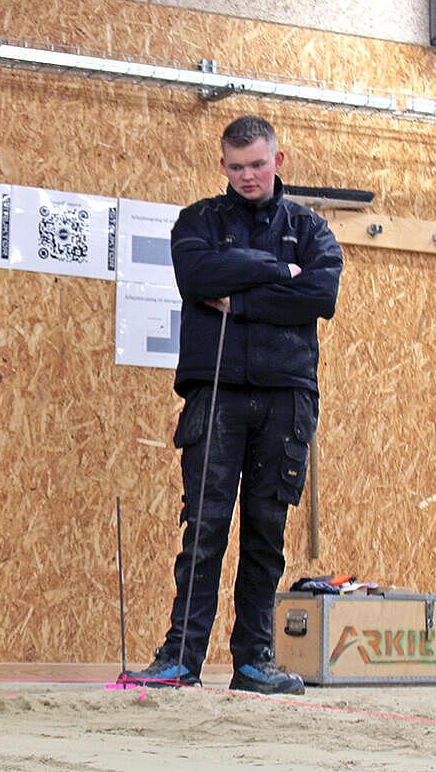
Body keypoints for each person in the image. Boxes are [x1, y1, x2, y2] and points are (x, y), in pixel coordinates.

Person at [128, 115, 342, 694]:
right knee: (204, 528)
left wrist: (240, 302)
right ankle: (180, 660)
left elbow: (319, 295)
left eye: (257, 164)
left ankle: (254, 663)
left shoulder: (312, 229)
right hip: (215, 393)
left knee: (265, 532)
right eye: (236, 166)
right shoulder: (198, 220)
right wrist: (276, 272)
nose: (247, 175)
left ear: (279, 160)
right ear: (223, 165)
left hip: (285, 398)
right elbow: (197, 274)